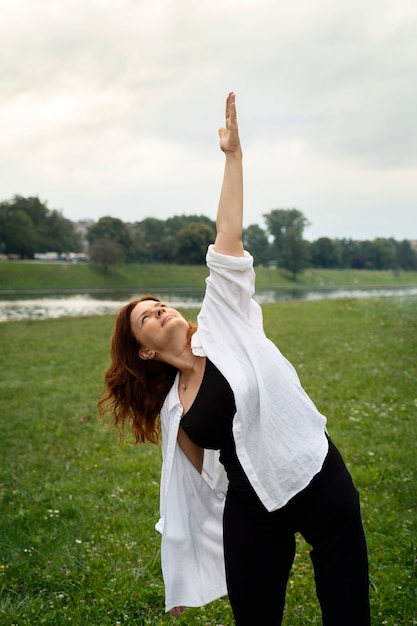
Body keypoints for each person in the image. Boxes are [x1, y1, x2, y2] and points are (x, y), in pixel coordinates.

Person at [99, 92, 370, 625]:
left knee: (345, 604)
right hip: (253, 506)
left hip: (310, 470)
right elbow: (194, 489)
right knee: (254, 613)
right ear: (146, 351)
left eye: (159, 304)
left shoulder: (224, 322)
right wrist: (179, 563)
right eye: (146, 318)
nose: (160, 310)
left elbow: (227, 239)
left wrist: (233, 157)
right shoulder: (176, 414)